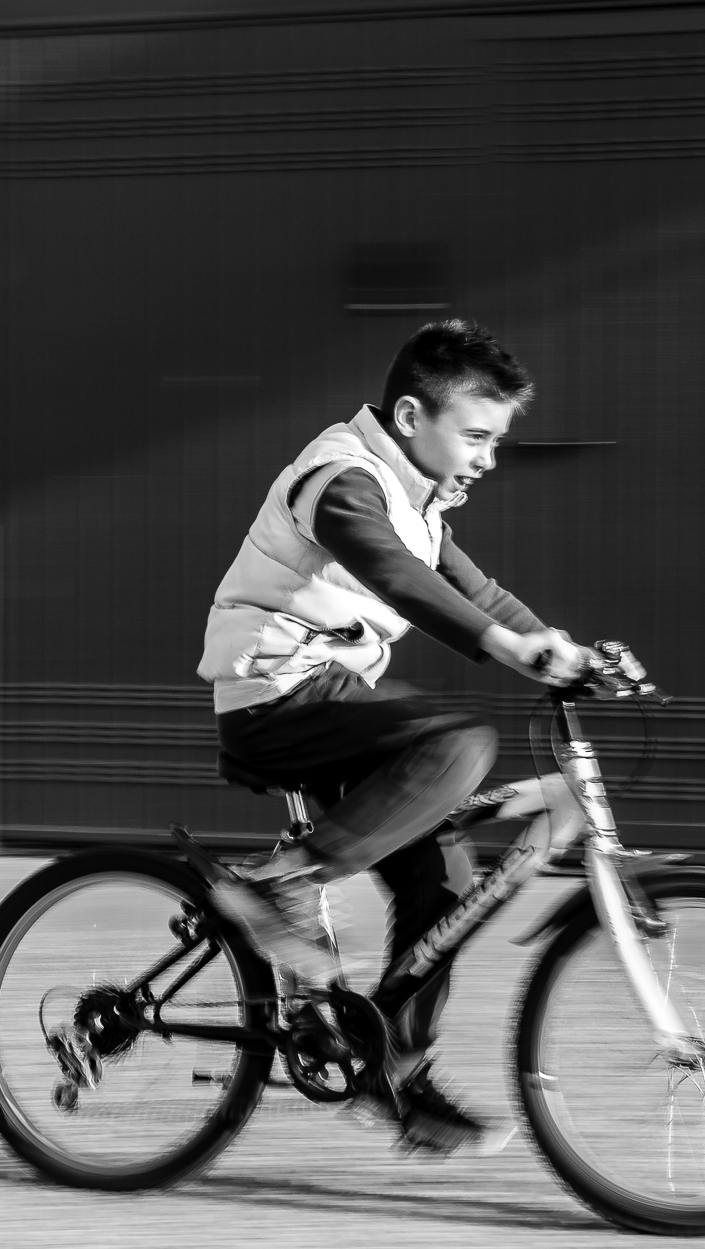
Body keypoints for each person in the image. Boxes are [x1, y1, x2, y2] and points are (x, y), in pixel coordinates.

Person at [196, 319, 590, 1153]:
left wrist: (560, 650)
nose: (488, 456)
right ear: (413, 417)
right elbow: (397, 578)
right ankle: (279, 882)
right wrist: (506, 648)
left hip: (332, 703)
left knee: (445, 882)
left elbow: (477, 591)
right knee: (458, 743)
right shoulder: (342, 476)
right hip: (277, 697)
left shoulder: (417, 500)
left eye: (495, 440)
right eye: (476, 435)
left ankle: (393, 1077)